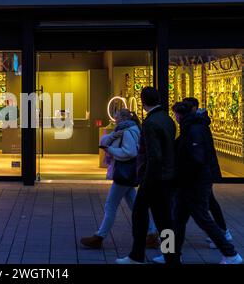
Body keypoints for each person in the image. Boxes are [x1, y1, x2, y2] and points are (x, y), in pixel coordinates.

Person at [168, 101, 242, 264]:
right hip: (188, 183)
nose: (175, 118)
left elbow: (196, 159)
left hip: (192, 184)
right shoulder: (193, 128)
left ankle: (230, 253)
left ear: (179, 115)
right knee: (176, 220)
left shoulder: (192, 130)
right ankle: (170, 255)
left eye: (175, 115)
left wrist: (182, 178)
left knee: (202, 220)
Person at [80, 109, 160, 249]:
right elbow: (105, 140)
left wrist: (111, 150)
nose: (114, 120)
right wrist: (111, 138)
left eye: (116, 117)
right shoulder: (128, 129)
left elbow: (129, 152)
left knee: (110, 205)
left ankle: (100, 236)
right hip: (129, 174)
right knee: (136, 206)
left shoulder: (127, 132)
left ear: (122, 118)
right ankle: (152, 233)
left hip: (124, 174)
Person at [116, 87, 178, 264]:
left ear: (142, 101)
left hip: (153, 179)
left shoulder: (150, 123)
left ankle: (137, 255)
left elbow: (154, 155)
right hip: (166, 177)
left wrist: (146, 179)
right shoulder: (167, 119)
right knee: (165, 219)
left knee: (139, 216)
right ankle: (170, 256)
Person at [182, 97, 233, 248]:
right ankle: (169, 253)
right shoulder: (196, 125)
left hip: (194, 178)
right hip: (193, 177)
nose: (178, 116)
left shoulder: (195, 127)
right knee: (177, 218)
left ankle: (226, 243)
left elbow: (196, 155)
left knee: (193, 214)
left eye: (180, 112)